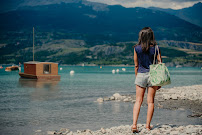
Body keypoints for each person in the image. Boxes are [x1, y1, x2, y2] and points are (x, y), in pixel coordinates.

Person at [131, 27, 162, 133]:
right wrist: (160, 81)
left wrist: (137, 78)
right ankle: (148, 126)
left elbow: (136, 65)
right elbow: (160, 63)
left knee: (138, 101)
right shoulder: (156, 48)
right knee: (150, 102)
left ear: (141, 36)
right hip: (153, 76)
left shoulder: (136, 48)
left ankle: (134, 125)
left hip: (140, 74)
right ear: (151, 36)